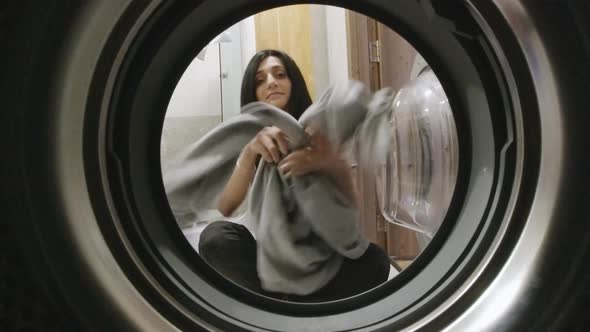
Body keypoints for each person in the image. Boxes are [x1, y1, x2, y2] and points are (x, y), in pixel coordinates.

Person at [198, 49, 390, 302]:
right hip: (268, 258)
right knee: (215, 238)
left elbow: (352, 208)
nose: (271, 82)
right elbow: (227, 206)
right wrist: (249, 152)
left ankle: (286, 310)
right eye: (260, 80)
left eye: (280, 74)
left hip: (320, 256)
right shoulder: (250, 137)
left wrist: (328, 162)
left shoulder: (321, 132)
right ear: (253, 93)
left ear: (293, 82)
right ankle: (293, 310)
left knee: (375, 260)